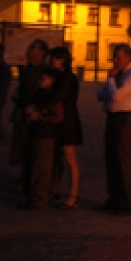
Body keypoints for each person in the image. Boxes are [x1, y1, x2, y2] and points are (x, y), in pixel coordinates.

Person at [96, 44, 131, 215]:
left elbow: (116, 95)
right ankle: (115, 198)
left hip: (127, 118)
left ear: (128, 57)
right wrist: (110, 87)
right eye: (114, 57)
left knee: (125, 160)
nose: (115, 61)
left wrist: (110, 80)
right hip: (113, 117)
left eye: (118, 57)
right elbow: (100, 94)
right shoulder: (120, 74)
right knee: (112, 159)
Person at [18, 66, 63, 209]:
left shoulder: (53, 96)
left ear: (51, 80)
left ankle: (39, 199)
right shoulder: (40, 93)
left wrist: (40, 116)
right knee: (34, 166)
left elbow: (58, 117)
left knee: (41, 168)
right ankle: (34, 197)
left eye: (42, 78)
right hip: (36, 133)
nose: (39, 81)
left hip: (46, 135)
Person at [10, 39, 49, 190]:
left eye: (34, 47)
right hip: (23, 112)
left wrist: (33, 107)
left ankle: (28, 181)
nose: (30, 49)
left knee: (29, 148)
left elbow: (37, 92)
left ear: (41, 53)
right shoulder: (28, 69)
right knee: (22, 147)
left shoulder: (42, 71)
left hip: (33, 114)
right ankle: (24, 178)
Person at [48, 46, 83, 209]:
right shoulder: (61, 76)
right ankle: (57, 191)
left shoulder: (67, 78)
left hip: (67, 121)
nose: (51, 61)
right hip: (62, 119)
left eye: (53, 58)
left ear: (61, 60)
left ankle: (73, 195)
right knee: (60, 157)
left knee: (70, 157)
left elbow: (58, 97)